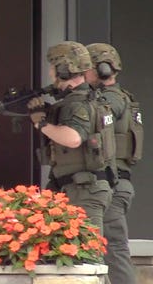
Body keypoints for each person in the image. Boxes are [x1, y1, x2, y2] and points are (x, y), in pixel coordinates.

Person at [27, 41, 115, 233]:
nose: (51, 73)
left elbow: (73, 137)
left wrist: (41, 123)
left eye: (53, 67)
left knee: (88, 256)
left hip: (84, 191)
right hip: (77, 188)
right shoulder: (85, 98)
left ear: (64, 70)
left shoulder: (78, 103)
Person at [86, 43, 142, 284]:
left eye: (86, 69)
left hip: (113, 183)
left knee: (113, 251)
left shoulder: (112, 99)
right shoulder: (120, 97)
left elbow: (98, 117)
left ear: (103, 69)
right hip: (115, 183)